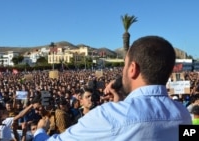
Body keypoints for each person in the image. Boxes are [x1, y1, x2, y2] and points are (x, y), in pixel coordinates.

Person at [33, 35, 192, 141]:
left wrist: (40, 130)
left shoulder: (108, 115)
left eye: (125, 65)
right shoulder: (183, 114)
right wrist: (120, 102)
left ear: (132, 69)